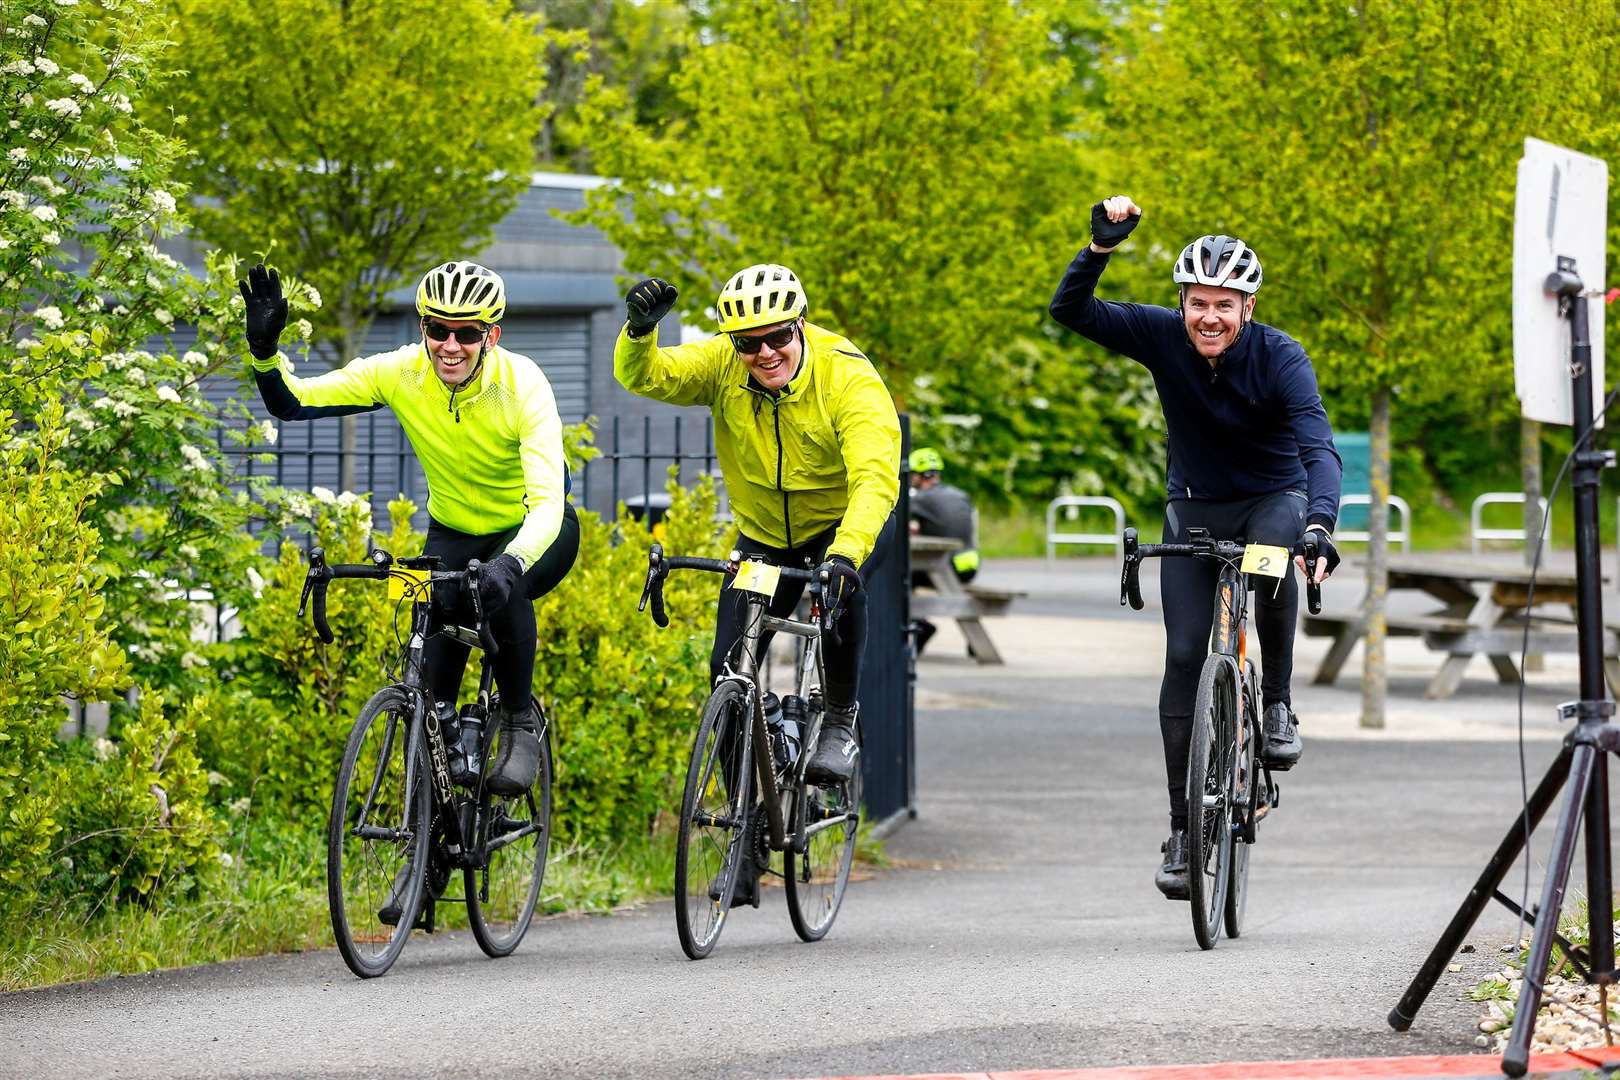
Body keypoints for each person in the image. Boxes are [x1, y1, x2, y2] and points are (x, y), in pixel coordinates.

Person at [1048, 196, 1342, 901]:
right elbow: (1071, 312)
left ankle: (1274, 705)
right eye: (1198, 303)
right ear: (1181, 303)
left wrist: (1320, 526)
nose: (1210, 317)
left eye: (1226, 305)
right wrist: (1099, 248)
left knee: (1272, 563)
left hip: (1274, 496)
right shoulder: (1161, 337)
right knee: (1183, 656)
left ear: (1247, 307)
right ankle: (1183, 830)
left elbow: (1319, 447)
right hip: (1194, 505)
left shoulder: (1281, 357)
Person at [238, 261, 580, 820]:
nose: (450, 345)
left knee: (504, 588)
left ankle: (519, 718)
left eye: (467, 333)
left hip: (534, 530)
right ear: (422, 328)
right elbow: (292, 402)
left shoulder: (523, 385)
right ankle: (422, 856)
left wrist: (511, 561)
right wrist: (264, 351)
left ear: (491, 335)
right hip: (451, 531)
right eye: (438, 329)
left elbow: (546, 504)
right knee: (430, 699)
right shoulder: (401, 372)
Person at [614, 264, 901, 908]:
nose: (764, 352)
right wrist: (638, 331)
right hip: (763, 536)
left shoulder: (846, 376)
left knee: (841, 595)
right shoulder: (724, 365)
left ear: (799, 327)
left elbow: (877, 478)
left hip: (836, 529)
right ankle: (744, 840)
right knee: (730, 673)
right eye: (749, 343)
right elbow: (647, 376)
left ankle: (838, 717)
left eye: (777, 337)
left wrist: (847, 554)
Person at [907, 447, 979, 656]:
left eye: (913, 475)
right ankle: (974, 641)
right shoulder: (960, 496)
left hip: (944, 566)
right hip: (969, 566)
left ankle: (919, 625)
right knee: (935, 582)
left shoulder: (920, 499)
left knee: (900, 579)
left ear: (920, 476)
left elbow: (900, 518)